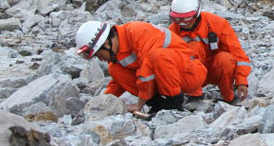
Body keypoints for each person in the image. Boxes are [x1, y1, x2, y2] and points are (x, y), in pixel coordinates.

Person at [75, 20, 207, 116]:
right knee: (114, 70)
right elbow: (118, 84)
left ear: (106, 44)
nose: (101, 59)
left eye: (99, 54)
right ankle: (158, 105)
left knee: (158, 56)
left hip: (190, 75)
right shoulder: (119, 49)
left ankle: (174, 106)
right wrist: (101, 104)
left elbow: (146, 73)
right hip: (167, 79)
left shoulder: (137, 32)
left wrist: (139, 104)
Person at [167, 0, 252, 103]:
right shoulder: (171, 33)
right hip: (190, 75)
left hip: (215, 70)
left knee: (225, 58)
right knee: (192, 49)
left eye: (187, 19)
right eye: (177, 19)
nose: (182, 23)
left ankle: (229, 96)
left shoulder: (217, 23)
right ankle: (195, 96)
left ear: (197, 14)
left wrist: (241, 80)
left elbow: (237, 53)